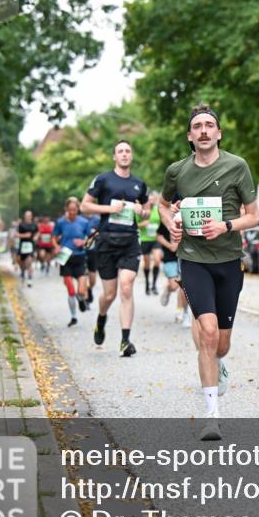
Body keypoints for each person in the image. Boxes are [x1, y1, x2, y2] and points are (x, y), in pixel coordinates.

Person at [161, 103, 259, 440]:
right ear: (190, 136)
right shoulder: (177, 171)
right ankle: (212, 416)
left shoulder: (237, 166)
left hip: (229, 260)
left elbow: (254, 216)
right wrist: (172, 226)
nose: (203, 131)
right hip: (193, 258)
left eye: (209, 125)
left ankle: (219, 364)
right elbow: (163, 205)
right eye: (197, 126)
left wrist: (226, 226)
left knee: (221, 343)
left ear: (218, 133)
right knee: (207, 332)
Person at [81, 139, 150, 357]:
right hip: (107, 242)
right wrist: (109, 208)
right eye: (120, 151)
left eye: (128, 151)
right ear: (114, 156)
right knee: (109, 295)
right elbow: (85, 206)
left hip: (130, 241)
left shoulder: (139, 184)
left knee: (126, 287)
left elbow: (147, 211)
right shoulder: (103, 180)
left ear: (132, 155)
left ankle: (125, 340)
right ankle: (101, 318)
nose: (124, 154)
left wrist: (142, 211)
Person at [52, 197, 92, 327]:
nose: (72, 212)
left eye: (74, 210)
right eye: (70, 210)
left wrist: (83, 242)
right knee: (70, 290)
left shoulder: (84, 222)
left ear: (78, 209)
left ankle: (81, 299)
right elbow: (53, 238)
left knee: (81, 290)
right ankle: (74, 316)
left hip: (80, 257)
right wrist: (56, 246)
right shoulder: (60, 222)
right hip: (65, 258)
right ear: (66, 210)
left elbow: (91, 239)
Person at [155, 212, 189, 325]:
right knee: (175, 286)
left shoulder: (189, 218)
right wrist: (169, 245)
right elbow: (158, 236)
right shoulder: (168, 219)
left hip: (186, 256)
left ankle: (182, 312)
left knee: (183, 286)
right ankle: (168, 289)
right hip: (170, 257)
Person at [138, 191, 163, 295]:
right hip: (145, 239)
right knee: (147, 263)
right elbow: (136, 225)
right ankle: (147, 283)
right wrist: (143, 224)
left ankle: (154, 285)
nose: (152, 201)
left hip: (155, 239)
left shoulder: (158, 210)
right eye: (150, 199)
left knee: (157, 260)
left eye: (153, 199)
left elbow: (163, 223)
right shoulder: (142, 211)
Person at [82, 212, 101, 305]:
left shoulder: (97, 220)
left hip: (93, 252)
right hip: (81, 252)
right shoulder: (79, 220)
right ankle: (85, 298)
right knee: (83, 275)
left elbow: (102, 232)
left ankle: (89, 289)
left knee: (92, 280)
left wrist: (96, 234)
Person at [16, 210, 38, 286]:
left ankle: (29, 278)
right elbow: (16, 235)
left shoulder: (34, 225)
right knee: (20, 260)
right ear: (24, 216)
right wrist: (25, 235)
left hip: (31, 246)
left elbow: (38, 232)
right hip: (22, 245)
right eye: (27, 215)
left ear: (31, 216)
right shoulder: (21, 225)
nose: (28, 217)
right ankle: (22, 271)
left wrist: (36, 236)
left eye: (29, 215)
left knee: (29, 262)